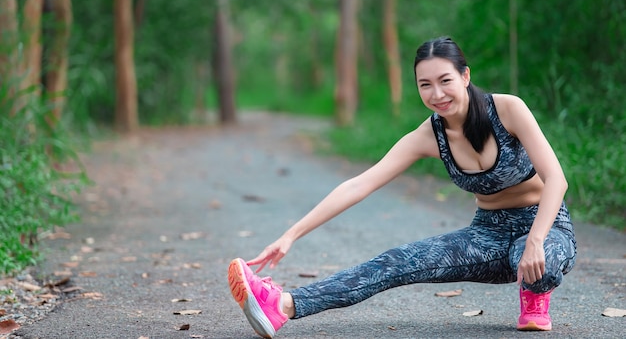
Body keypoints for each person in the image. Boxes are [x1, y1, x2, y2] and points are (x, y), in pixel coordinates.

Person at [227, 36, 577, 338]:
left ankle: (534, 295)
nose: (437, 94)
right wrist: (290, 235)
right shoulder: (429, 136)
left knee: (537, 263)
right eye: (425, 85)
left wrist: (535, 240)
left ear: (465, 76)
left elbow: (556, 179)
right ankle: (282, 306)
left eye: (445, 80)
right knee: (394, 262)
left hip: (546, 224)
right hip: (486, 233)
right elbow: (360, 184)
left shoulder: (507, 109)